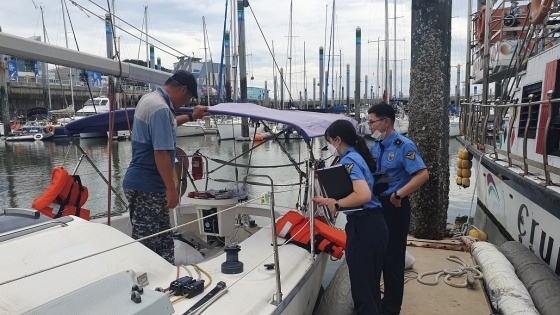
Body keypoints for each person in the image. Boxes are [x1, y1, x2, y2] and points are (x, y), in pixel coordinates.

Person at [122, 70, 209, 264]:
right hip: (148, 186)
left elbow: (169, 124)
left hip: (145, 185)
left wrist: (192, 117)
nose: (185, 104)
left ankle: (166, 278)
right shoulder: (160, 108)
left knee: (163, 239)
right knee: (148, 244)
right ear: (183, 90)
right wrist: (172, 189)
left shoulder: (151, 100)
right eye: (187, 99)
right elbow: (160, 152)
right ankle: (147, 287)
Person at [312, 119, 388, 315]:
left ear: (337, 140)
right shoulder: (357, 156)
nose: (329, 146)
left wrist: (335, 204)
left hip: (365, 227)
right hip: (372, 225)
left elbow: (363, 195)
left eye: (329, 141)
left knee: (363, 291)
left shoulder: (349, 160)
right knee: (370, 289)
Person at [368, 102, 429, 315]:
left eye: (372, 122)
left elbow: (422, 175)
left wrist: (398, 194)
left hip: (395, 206)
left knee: (393, 261)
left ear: (385, 122)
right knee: (378, 258)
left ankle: (391, 309)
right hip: (377, 206)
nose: (369, 126)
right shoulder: (376, 146)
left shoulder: (404, 146)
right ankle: (376, 305)